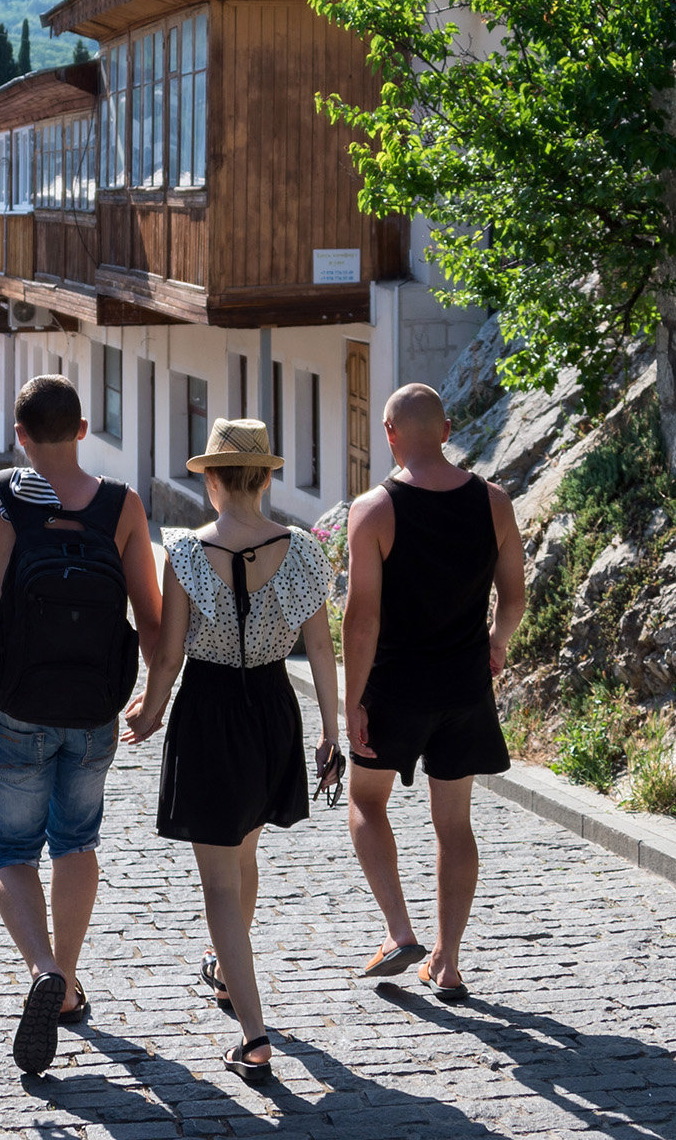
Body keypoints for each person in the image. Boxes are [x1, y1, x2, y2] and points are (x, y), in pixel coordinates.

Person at [0, 374, 161, 1077]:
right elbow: (153, 616)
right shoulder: (121, 506)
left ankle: (44, 969)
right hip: (94, 709)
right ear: (82, 430)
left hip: (18, 705)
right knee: (77, 840)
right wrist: (156, 698)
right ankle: (68, 986)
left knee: (11, 849)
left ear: (19, 435)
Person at [123, 419, 342, 1086]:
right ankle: (226, 971)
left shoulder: (187, 552)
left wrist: (150, 712)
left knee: (219, 879)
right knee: (243, 855)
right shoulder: (305, 552)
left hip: (211, 710)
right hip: (274, 707)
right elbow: (323, 650)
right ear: (268, 478)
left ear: (212, 480)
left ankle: (253, 1038)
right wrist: (331, 734)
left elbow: (168, 653)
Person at [339, 383, 525, 1002]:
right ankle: (447, 963)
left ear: (389, 434)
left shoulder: (373, 510)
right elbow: (515, 596)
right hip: (465, 688)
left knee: (366, 804)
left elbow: (360, 618)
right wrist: (497, 641)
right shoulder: (495, 503)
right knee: (456, 826)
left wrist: (351, 699)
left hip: (395, 687)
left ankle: (399, 932)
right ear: (445, 430)